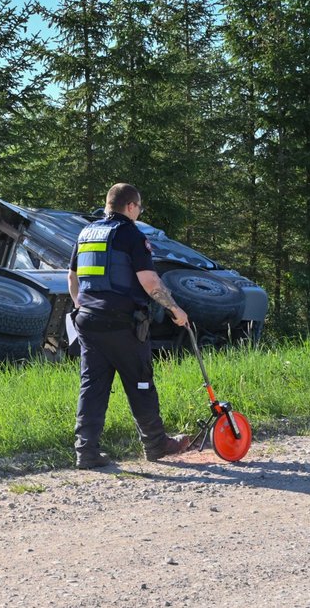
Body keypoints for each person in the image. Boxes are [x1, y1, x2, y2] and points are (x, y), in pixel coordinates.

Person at [67, 183, 191, 469]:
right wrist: (175, 310)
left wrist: (80, 306)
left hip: (88, 320)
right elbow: (150, 282)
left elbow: (71, 278)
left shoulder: (86, 233)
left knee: (92, 386)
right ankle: (156, 444)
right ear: (131, 206)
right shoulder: (132, 235)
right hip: (122, 323)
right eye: (140, 207)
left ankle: (85, 452)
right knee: (141, 382)